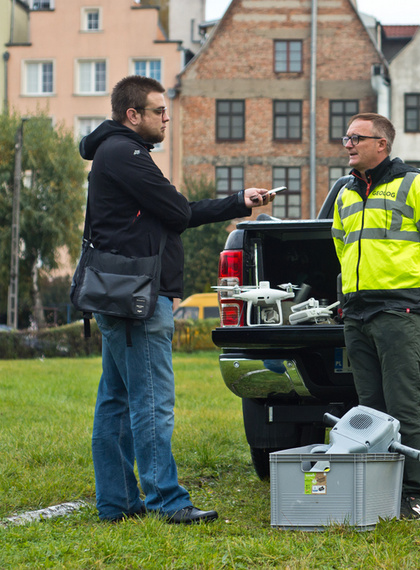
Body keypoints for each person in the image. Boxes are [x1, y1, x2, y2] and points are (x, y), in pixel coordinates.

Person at [79, 75, 273, 524]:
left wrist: (235, 202)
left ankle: (118, 503)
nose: (167, 118)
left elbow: (175, 213)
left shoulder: (116, 153)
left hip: (123, 295)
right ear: (133, 115)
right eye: (158, 111)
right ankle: (167, 500)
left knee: (116, 400)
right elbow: (180, 211)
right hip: (139, 299)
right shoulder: (126, 154)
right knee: (150, 403)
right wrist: (231, 203)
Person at [331, 113, 420, 520]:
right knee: (370, 409)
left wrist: (417, 293)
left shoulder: (416, 185)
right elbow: (342, 248)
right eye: (346, 137)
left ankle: (417, 495)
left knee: (404, 407)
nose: (348, 143)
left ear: (381, 144)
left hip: (400, 309)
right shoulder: (346, 194)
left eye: (357, 137)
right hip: (358, 312)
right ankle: (378, 491)